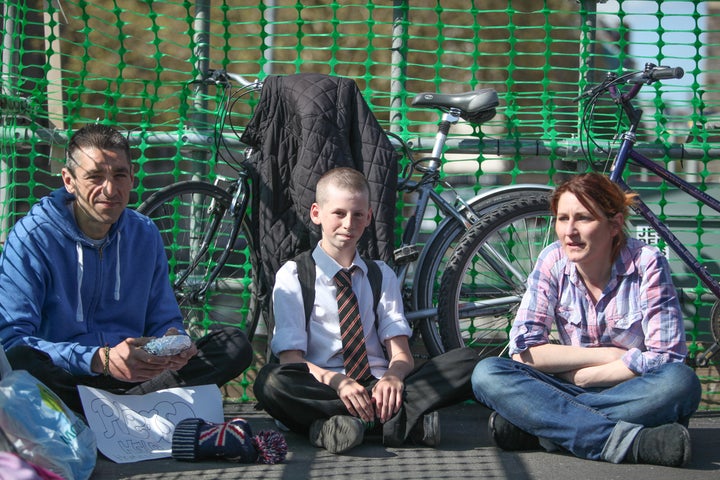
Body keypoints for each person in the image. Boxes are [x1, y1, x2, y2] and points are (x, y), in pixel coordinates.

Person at [0, 124, 253, 414]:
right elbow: (13, 339)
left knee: (234, 345)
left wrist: (173, 342)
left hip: (138, 377)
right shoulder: (32, 236)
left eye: (119, 175)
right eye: (95, 176)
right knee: (21, 358)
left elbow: (164, 317)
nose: (110, 189)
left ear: (132, 177)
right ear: (69, 181)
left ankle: (106, 413)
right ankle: (125, 411)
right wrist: (98, 359)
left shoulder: (145, 233)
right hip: (68, 378)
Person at [472, 172, 702, 467]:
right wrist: (606, 355)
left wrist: (584, 376)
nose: (570, 231)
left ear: (614, 224)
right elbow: (524, 350)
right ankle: (632, 443)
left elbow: (667, 358)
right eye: (562, 218)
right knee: (487, 372)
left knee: (681, 383)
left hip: (630, 390)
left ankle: (541, 430)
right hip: (566, 388)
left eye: (583, 218)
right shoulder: (552, 260)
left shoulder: (647, 263)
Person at [253, 167, 478, 454]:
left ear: (369, 217)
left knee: (468, 361)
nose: (348, 223)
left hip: (379, 384)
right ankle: (397, 423)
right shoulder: (294, 274)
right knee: (271, 382)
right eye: (339, 213)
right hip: (324, 384)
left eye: (358, 214)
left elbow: (400, 354)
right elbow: (292, 359)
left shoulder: (381, 274)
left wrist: (393, 378)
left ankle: (332, 426)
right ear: (316, 213)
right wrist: (341, 383)